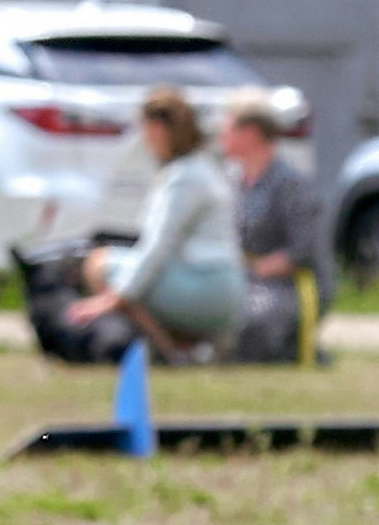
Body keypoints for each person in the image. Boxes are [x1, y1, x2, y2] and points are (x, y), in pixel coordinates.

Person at [67, 87, 246, 352]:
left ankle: (166, 352)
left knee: (99, 264)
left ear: (158, 129)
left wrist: (111, 300)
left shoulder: (183, 178)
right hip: (226, 287)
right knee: (124, 267)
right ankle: (184, 350)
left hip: (206, 289)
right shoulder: (204, 167)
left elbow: (156, 248)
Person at [221, 88, 329, 361]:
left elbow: (302, 250)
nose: (222, 135)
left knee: (252, 321)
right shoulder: (233, 181)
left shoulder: (291, 184)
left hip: (287, 284)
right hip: (243, 279)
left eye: (229, 128)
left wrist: (254, 271)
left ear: (252, 133)